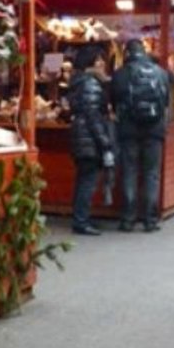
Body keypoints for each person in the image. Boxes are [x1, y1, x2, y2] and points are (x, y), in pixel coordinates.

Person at [110, 39, 170, 233]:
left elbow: (113, 101)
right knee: (152, 174)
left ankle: (128, 219)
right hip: (154, 130)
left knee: (130, 171)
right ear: (144, 52)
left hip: (129, 130)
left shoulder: (120, 74)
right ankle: (150, 220)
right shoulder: (161, 73)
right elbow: (166, 101)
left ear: (127, 53)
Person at [68, 46, 114, 236]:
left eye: (102, 59)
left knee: (83, 179)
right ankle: (81, 221)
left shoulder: (79, 81)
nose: (102, 63)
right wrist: (105, 143)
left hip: (81, 136)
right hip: (89, 138)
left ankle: (80, 217)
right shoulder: (91, 84)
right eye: (97, 60)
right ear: (89, 62)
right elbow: (93, 116)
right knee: (88, 181)